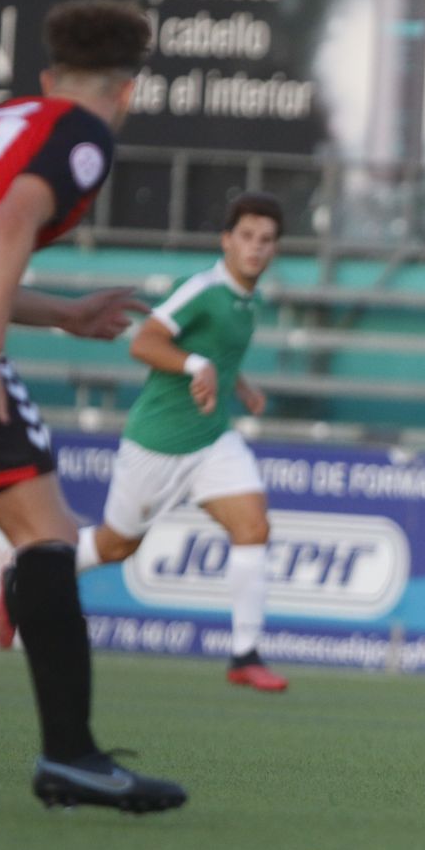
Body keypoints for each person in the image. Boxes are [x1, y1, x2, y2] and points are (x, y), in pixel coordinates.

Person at [0, 0, 185, 812]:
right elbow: (10, 226)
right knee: (47, 536)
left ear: (48, 75)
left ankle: (73, 758)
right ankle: (72, 758)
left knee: (42, 535)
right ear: (128, 90)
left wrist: (60, 313)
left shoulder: (1, 122)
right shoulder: (82, 134)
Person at [67, 193, 286, 691]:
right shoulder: (204, 289)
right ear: (226, 240)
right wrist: (195, 365)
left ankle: (244, 655)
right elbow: (145, 341)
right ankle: (28, 574)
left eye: (266, 240)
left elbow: (217, 352)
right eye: (247, 236)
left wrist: (240, 386)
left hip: (210, 439)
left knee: (253, 526)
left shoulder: (246, 300)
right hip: (159, 442)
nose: (255, 248)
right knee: (115, 545)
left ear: (275, 249)